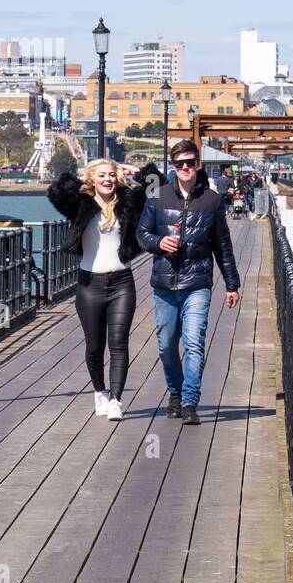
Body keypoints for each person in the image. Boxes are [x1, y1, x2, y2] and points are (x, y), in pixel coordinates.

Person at [47, 158, 161, 420]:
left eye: (111, 174)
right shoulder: (80, 205)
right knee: (94, 346)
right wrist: (79, 175)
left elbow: (155, 188)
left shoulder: (128, 203)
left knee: (119, 343)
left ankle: (116, 400)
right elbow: (56, 192)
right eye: (101, 175)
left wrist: (137, 171)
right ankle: (100, 391)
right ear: (92, 179)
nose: (108, 179)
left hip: (122, 282)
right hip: (89, 285)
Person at [137, 140, 241, 425]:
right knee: (167, 344)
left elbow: (223, 246)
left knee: (194, 343)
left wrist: (231, 284)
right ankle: (175, 391)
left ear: (198, 164)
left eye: (190, 162)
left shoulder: (212, 200)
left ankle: (189, 401)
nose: (185, 167)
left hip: (197, 282)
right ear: (173, 166)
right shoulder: (156, 196)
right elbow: (141, 234)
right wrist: (159, 242)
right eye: (180, 163)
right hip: (164, 284)